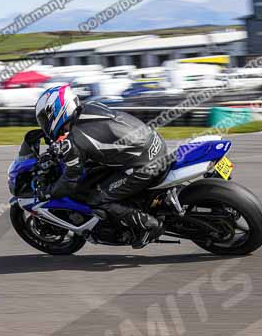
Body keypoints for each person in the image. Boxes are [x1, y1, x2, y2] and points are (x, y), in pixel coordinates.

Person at [33, 84, 169, 248]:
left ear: (55, 112)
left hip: (144, 164)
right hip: (155, 144)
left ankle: (150, 225)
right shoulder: (90, 108)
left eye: (44, 118)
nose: (44, 123)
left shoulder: (75, 140)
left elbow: (70, 181)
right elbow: (96, 141)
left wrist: (47, 193)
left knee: (97, 199)